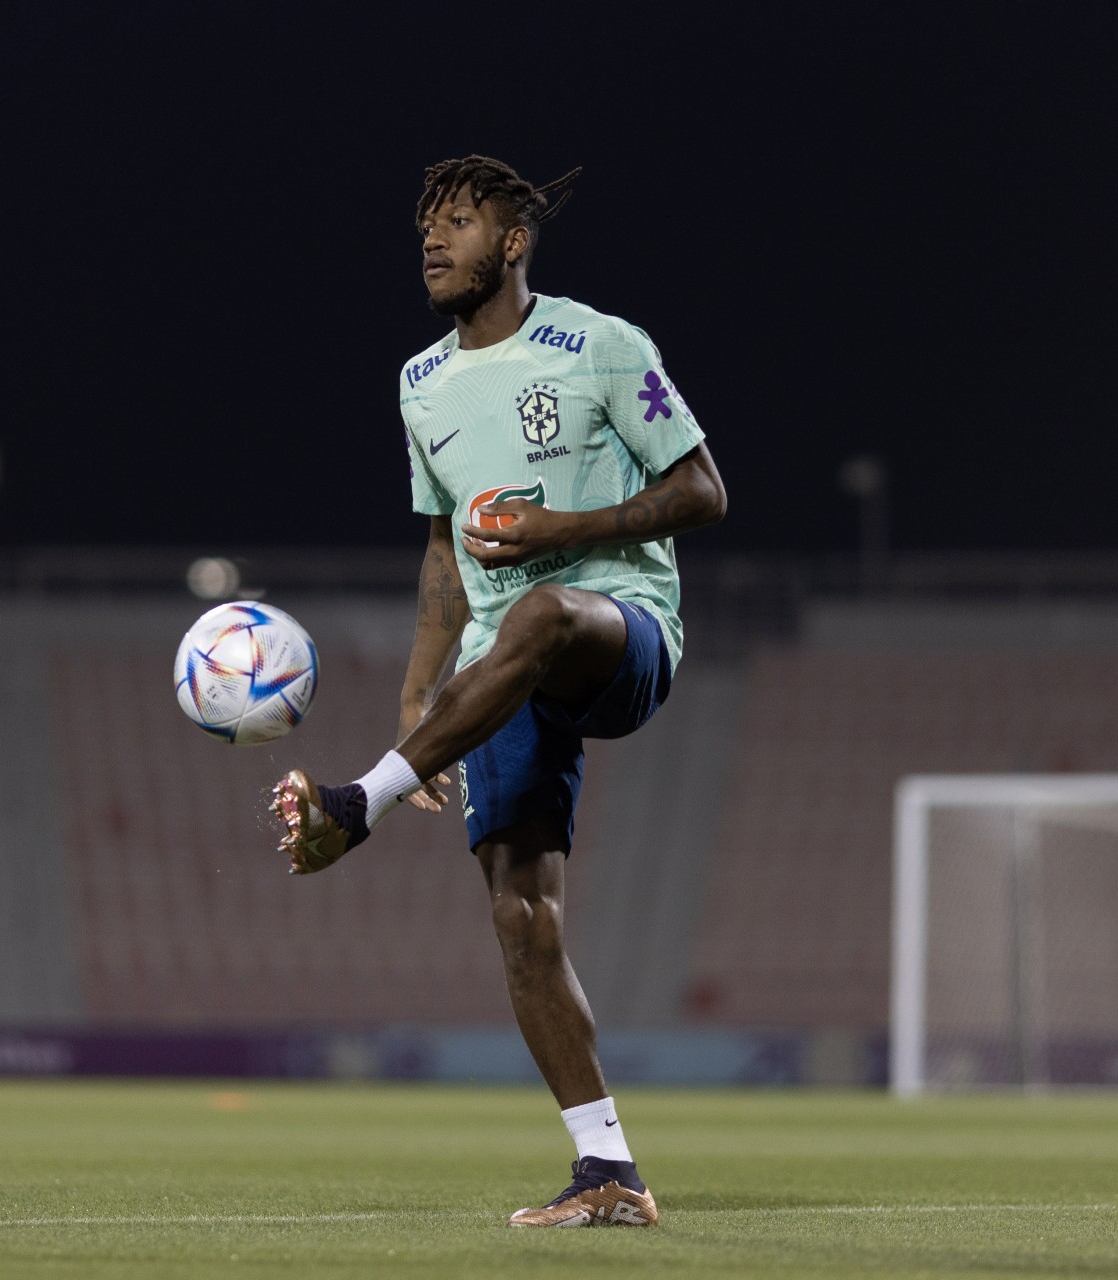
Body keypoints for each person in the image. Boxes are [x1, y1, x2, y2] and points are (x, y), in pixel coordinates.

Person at [270, 154, 726, 1229]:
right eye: (426, 225)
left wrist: (567, 529)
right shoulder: (420, 382)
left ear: (513, 243)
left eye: (460, 222)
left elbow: (703, 489)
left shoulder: (603, 345)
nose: (434, 240)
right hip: (496, 669)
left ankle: (358, 804)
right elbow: (443, 544)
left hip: (618, 629)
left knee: (543, 611)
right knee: (522, 917)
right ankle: (606, 1169)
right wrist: (420, 692)